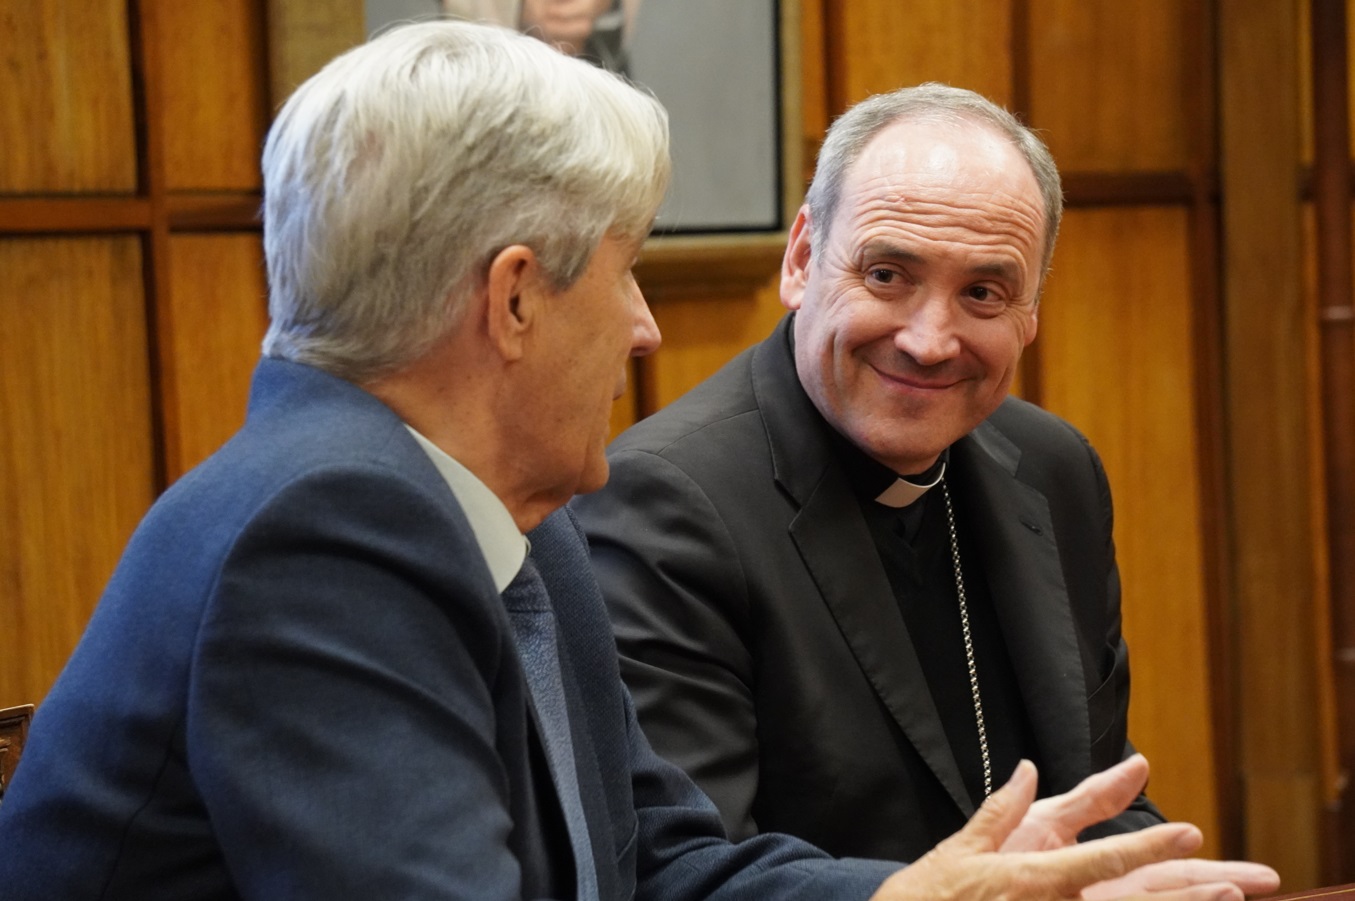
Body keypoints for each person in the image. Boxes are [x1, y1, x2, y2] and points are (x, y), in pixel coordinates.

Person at [0, 23, 1270, 901]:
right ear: (511, 302)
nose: (647, 325)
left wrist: (915, 889)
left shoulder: (507, 516)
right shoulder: (326, 534)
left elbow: (659, 859)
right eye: (624, 269)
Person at [572, 83, 1235, 865]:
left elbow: (1088, 793)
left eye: (983, 293)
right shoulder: (663, 503)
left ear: (1031, 313)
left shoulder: (1054, 469)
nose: (929, 341)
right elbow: (691, 871)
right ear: (801, 259)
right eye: (887, 275)